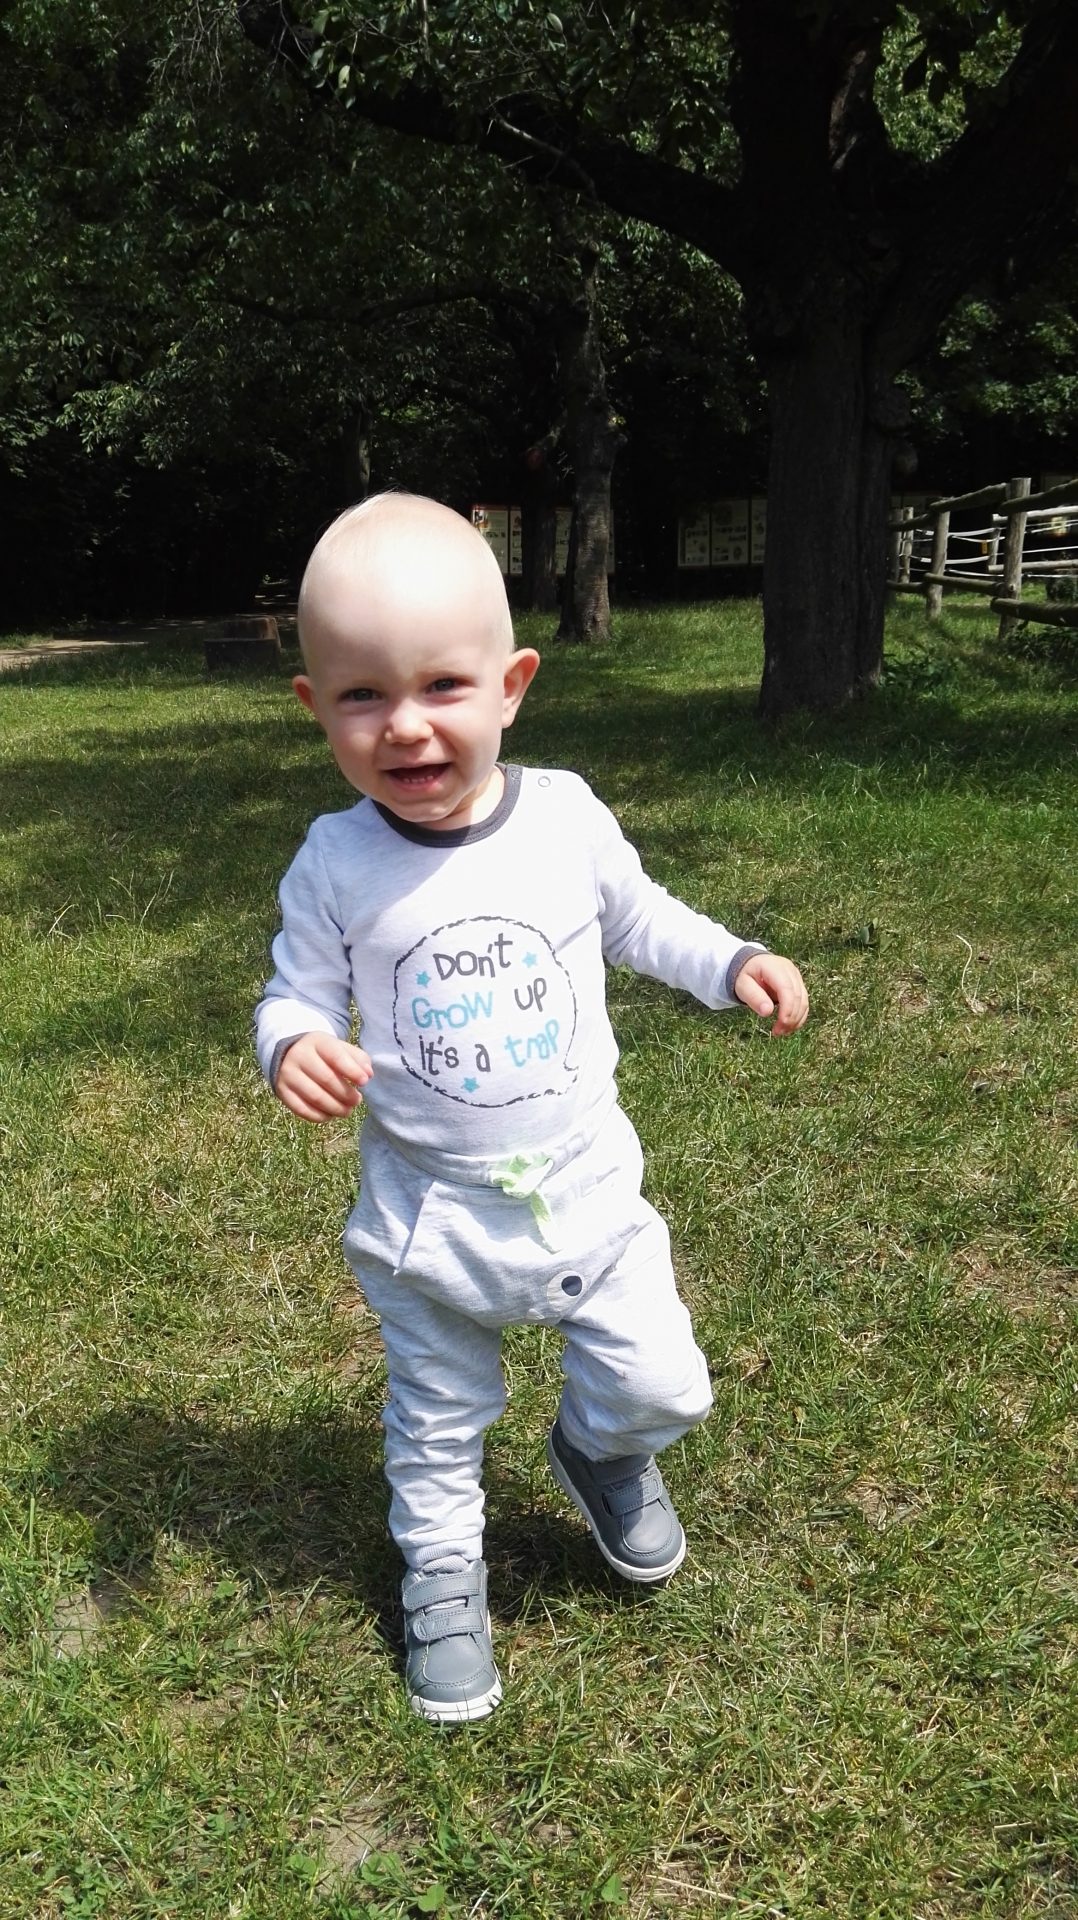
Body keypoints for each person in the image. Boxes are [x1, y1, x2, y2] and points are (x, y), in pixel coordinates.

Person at [255, 493, 808, 1723]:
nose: (406, 724)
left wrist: (729, 961)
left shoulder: (561, 815)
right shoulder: (336, 862)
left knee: (667, 1385)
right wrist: (293, 1042)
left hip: (587, 1195)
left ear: (510, 687)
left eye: (443, 686)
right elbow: (294, 990)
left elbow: (640, 918)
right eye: (362, 696)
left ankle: (603, 1447)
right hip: (431, 1225)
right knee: (437, 1420)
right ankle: (442, 1576)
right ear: (314, 708)